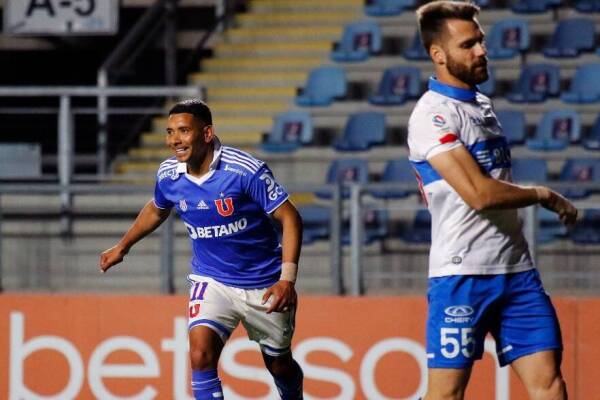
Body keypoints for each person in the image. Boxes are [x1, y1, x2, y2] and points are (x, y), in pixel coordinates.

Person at [408, 2, 577, 399]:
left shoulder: (481, 106)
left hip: (517, 271)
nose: (482, 51)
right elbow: (480, 195)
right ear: (439, 55)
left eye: (480, 41)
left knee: (550, 384)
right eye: (468, 45)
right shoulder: (431, 116)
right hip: (461, 274)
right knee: (446, 394)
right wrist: (543, 195)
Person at [99, 99, 304, 400]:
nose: (174, 141)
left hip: (263, 284)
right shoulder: (169, 174)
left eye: (183, 131)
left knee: (279, 365)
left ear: (206, 133)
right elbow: (158, 209)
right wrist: (123, 245)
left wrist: (287, 279)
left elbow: (290, 217)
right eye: (170, 132)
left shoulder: (244, 171)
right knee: (200, 356)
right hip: (212, 281)